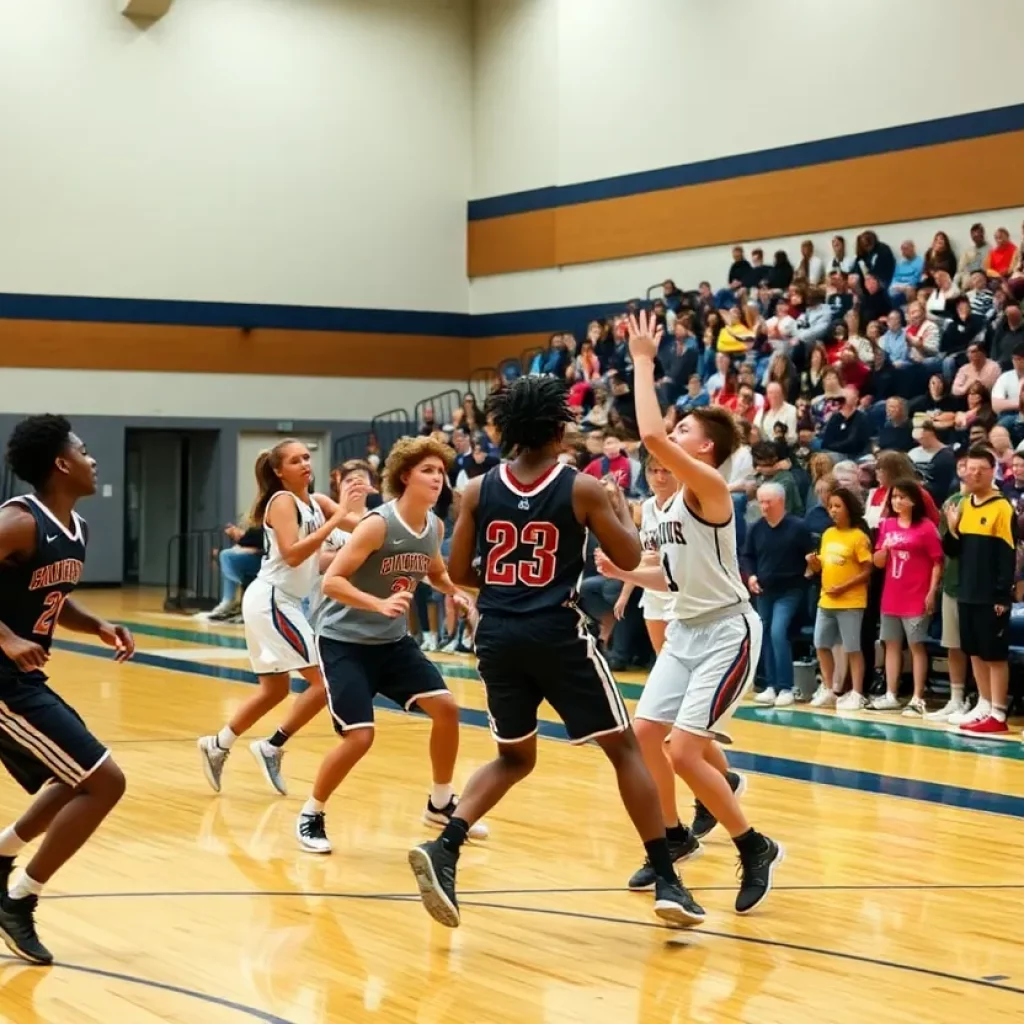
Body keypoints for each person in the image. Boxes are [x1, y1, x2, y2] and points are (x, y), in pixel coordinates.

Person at [408, 375, 704, 931]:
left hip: (496, 634)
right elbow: (627, 554)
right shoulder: (581, 488)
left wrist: (504, 584)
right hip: (558, 633)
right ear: (556, 428)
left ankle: (446, 847)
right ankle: (668, 878)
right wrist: (616, 507)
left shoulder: (475, 490)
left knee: (514, 756)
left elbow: (463, 571)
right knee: (625, 752)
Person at [604, 312, 783, 915]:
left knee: (683, 751)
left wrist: (644, 360)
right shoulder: (668, 506)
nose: (669, 436)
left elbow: (651, 439)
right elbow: (670, 576)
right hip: (685, 629)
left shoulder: (707, 485)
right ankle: (675, 834)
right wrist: (626, 574)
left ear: (704, 448)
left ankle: (754, 844)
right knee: (644, 736)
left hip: (728, 632)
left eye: (683, 429)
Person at [303, 436, 483, 853]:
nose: (438, 478)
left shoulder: (433, 527)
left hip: (392, 643)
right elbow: (332, 582)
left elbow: (433, 572)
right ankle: (312, 813)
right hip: (344, 642)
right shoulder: (377, 524)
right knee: (360, 738)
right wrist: (379, 602)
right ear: (406, 476)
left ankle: (440, 803)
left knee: (447, 708)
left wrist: (454, 591)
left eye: (440, 471)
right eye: (428, 471)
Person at [0, 415, 135, 965]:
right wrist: (6, 637)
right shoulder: (18, 521)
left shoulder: (72, 527)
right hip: (2, 680)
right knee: (104, 782)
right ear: (61, 463)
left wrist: (95, 624)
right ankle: (16, 899)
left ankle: (3, 855)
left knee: (75, 774)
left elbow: (51, 598)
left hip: (22, 679)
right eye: (82, 449)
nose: (91, 457)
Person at [197, 441, 355, 795]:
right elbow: (294, 555)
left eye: (307, 458)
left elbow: (345, 540)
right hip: (272, 600)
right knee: (323, 681)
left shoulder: (316, 504)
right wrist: (335, 521)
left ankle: (218, 744)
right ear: (279, 471)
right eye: (295, 459)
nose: (304, 464)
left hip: (280, 601)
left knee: (275, 689)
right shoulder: (283, 501)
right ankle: (272, 745)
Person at [943, 447, 1017, 736]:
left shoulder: (1002, 508)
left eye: (980, 469)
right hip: (967, 591)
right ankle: (984, 705)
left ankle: (998, 712)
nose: (973, 474)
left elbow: (1007, 557)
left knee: (994, 655)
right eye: (969, 468)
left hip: (991, 596)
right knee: (974, 651)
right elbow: (953, 551)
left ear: (992, 471)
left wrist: (1002, 597)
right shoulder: (964, 504)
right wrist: (952, 528)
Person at [870, 480, 944, 714]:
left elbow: (937, 562)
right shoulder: (888, 525)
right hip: (892, 593)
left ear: (914, 500)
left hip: (917, 594)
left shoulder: (926, 527)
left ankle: (917, 697)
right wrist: (883, 550)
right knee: (891, 644)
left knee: (916, 645)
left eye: (902, 497)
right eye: (894, 497)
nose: (897, 501)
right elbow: (878, 562)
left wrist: (932, 592)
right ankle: (891, 693)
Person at [744, 483, 813, 707]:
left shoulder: (798, 527)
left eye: (768, 502)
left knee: (777, 631)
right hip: (764, 591)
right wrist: (751, 576)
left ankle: (786, 686)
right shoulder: (756, 528)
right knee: (764, 634)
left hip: (790, 590)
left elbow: (810, 556)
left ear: (781, 502)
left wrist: (807, 573)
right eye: (761, 502)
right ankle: (771, 685)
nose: (763, 507)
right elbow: (748, 556)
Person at [806, 488, 873, 710]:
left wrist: (844, 586)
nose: (833, 510)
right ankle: (829, 688)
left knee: (852, 647)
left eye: (837, 506)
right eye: (830, 506)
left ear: (848, 509)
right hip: (826, 600)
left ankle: (857, 692)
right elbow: (822, 566)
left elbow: (866, 571)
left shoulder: (859, 537)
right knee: (820, 644)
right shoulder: (827, 534)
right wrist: (813, 563)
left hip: (851, 602)